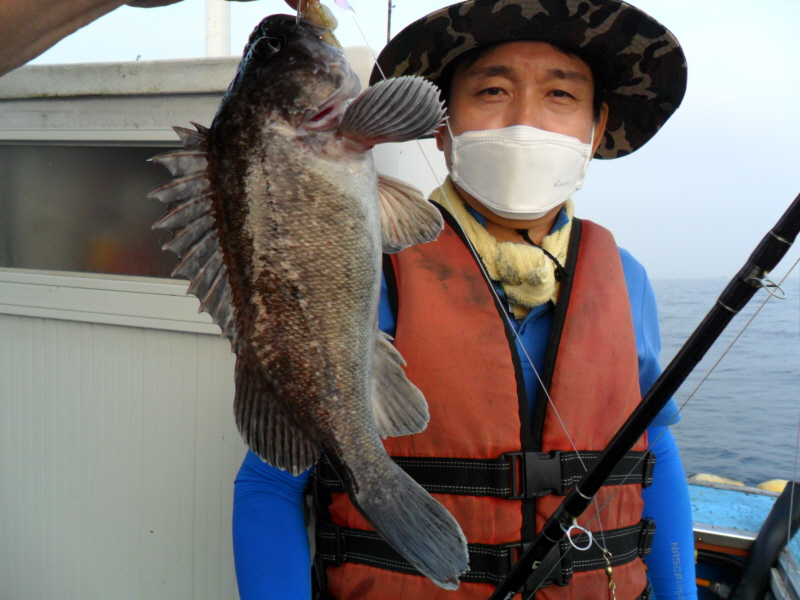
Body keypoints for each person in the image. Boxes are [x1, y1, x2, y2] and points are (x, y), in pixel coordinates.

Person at [233, 0, 697, 599]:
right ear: (440, 123)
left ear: (596, 126)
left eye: (560, 96)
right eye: (492, 91)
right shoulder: (364, 266)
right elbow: (269, 483)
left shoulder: (625, 278)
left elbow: (651, 451)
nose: (523, 120)